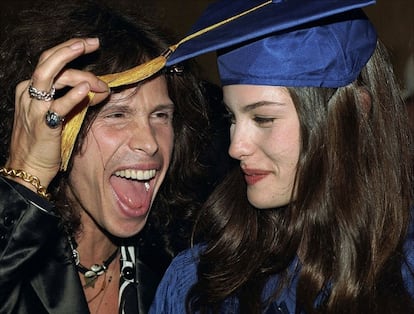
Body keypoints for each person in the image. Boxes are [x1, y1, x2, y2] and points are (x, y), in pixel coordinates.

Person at [148, 0, 414, 313]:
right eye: (231, 117)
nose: (236, 147)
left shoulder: (406, 271)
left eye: (263, 119)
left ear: (354, 114)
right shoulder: (199, 281)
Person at [0, 0, 213, 313]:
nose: (149, 143)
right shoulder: (19, 263)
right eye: (117, 114)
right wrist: (25, 176)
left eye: (160, 115)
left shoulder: (181, 269)